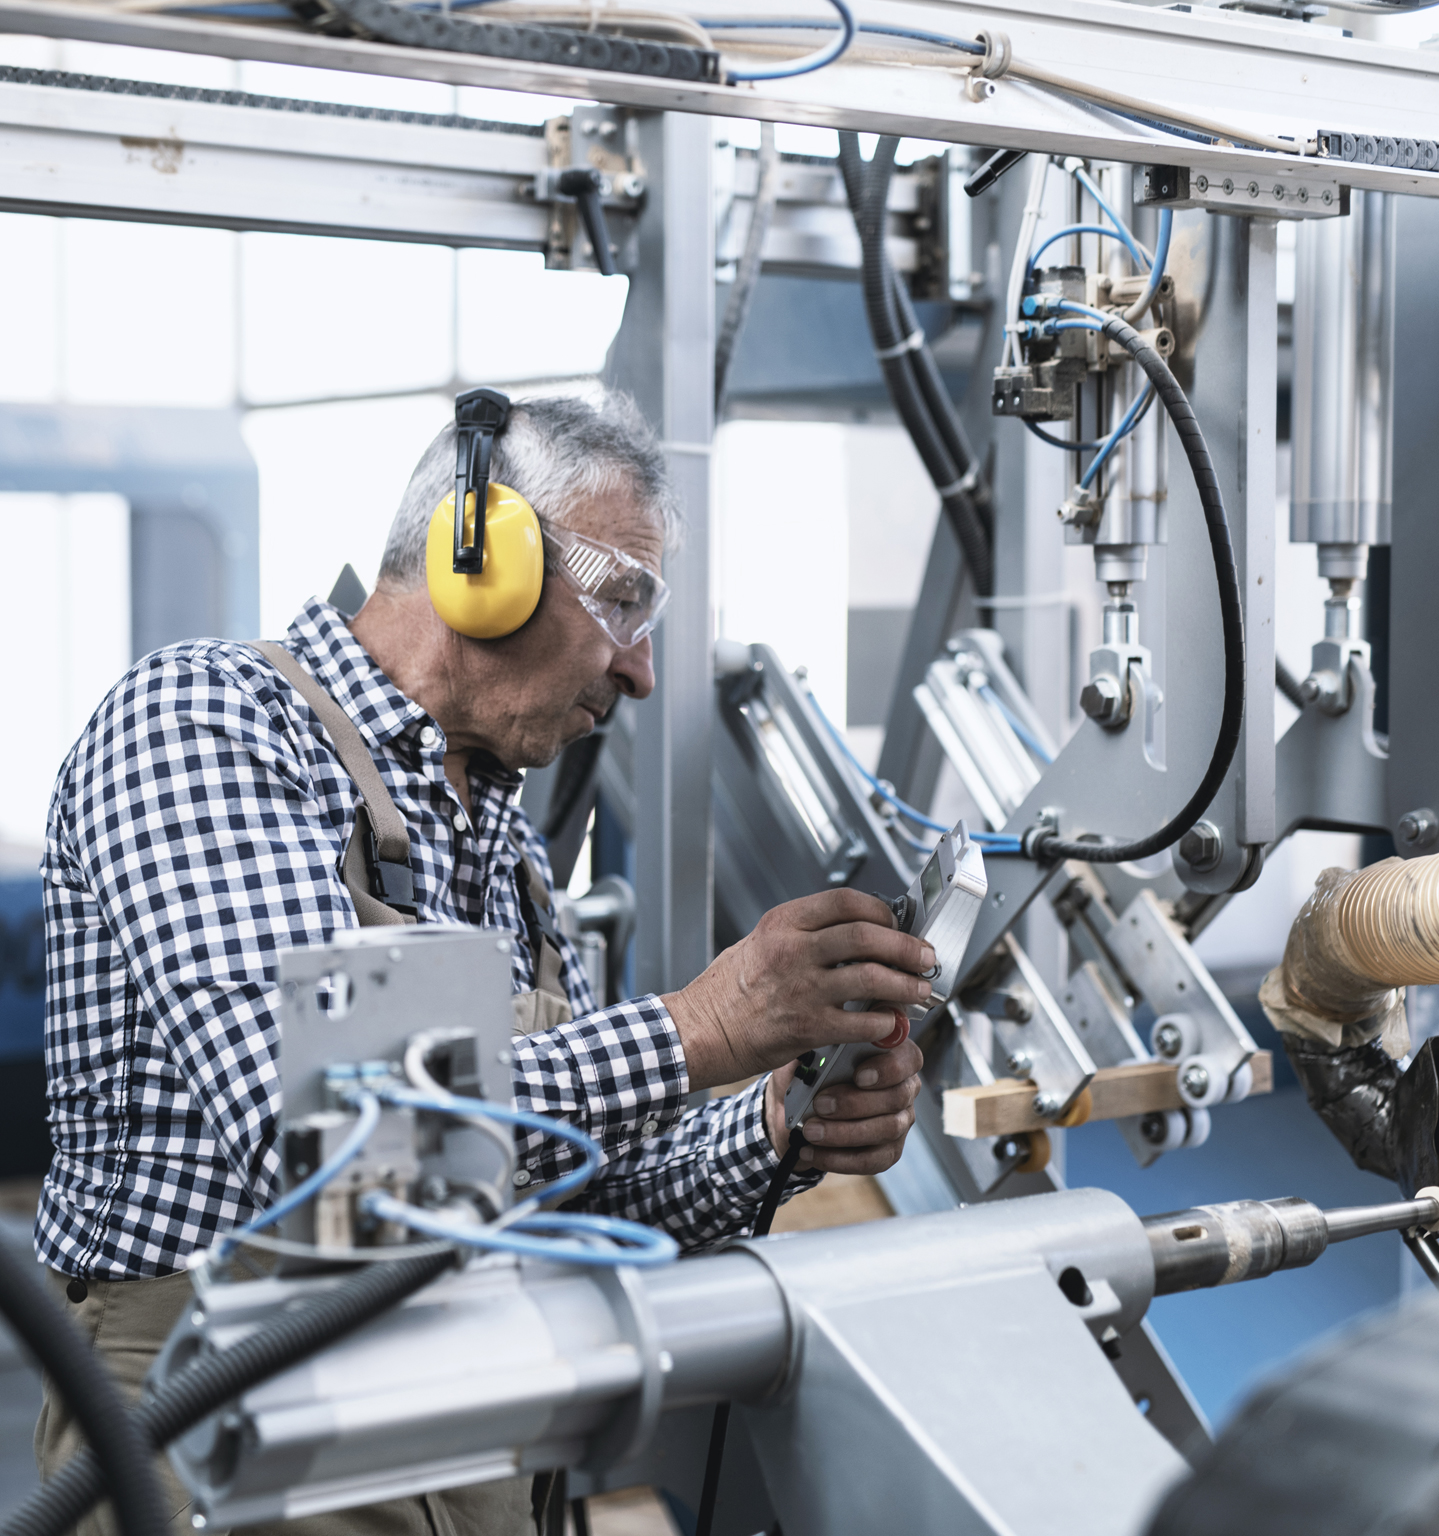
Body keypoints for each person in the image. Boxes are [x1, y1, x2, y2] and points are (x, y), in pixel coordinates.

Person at [33, 390, 931, 1536]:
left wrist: (775, 1126)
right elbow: (318, 1139)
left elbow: (578, 1188)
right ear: (481, 557)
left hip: (467, 1411)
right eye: (623, 603)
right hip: (216, 1421)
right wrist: (695, 1028)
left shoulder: (500, 841)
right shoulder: (208, 721)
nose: (642, 673)